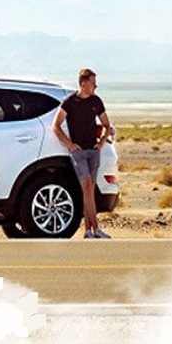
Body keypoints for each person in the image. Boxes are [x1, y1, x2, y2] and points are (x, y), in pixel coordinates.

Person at [51, 68, 113, 239]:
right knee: (86, 186)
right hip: (78, 153)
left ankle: (90, 230)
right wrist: (70, 145)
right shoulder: (70, 102)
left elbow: (107, 125)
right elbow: (55, 126)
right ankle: (94, 229)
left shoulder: (96, 101)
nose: (96, 86)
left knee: (90, 190)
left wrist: (101, 142)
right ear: (84, 83)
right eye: (93, 83)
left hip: (93, 151)